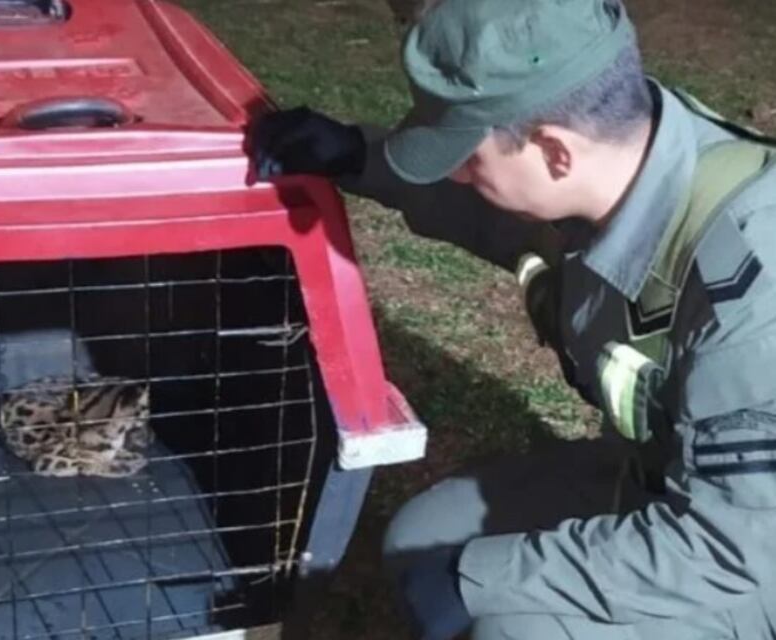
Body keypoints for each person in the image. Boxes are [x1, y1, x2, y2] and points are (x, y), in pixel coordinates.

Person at [248, 0, 776, 639]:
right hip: (668, 478)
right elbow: (490, 212)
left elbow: (729, 550)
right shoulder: (621, 155)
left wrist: (479, 578)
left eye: (468, 158)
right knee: (421, 539)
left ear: (554, 152)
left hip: (746, 554)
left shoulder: (754, 287)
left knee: (512, 627)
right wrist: (357, 155)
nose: (458, 175)